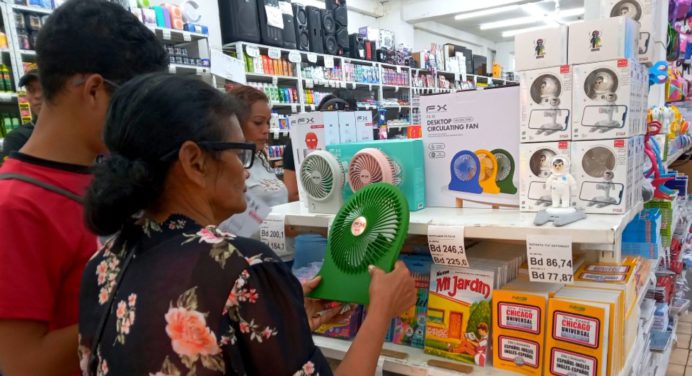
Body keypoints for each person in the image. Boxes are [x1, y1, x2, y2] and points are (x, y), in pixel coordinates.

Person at [78, 73, 416, 375]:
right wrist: (380, 312)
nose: (244, 169)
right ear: (195, 162)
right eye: (240, 153)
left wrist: (282, 310)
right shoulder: (244, 267)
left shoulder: (102, 265)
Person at [0, 0, 168, 374]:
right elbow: (22, 364)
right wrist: (144, 299)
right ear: (94, 90)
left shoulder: (106, 177)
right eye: (134, 102)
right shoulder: (14, 208)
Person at [1, 69, 42, 160]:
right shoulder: (18, 138)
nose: (37, 95)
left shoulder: (75, 129)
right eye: (30, 90)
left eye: (44, 89)